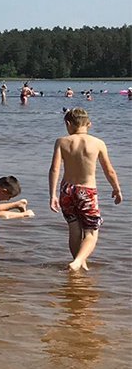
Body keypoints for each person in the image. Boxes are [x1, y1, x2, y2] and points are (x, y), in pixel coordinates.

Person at [49, 108, 122, 272]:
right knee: (91, 232)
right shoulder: (97, 143)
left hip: (67, 190)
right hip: (86, 191)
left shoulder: (62, 142)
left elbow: (54, 169)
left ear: (68, 124)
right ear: (89, 124)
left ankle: (79, 264)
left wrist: (52, 194)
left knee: (74, 229)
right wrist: (116, 189)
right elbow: (109, 170)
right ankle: (77, 263)